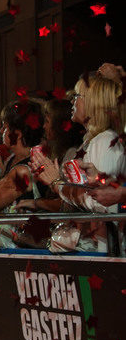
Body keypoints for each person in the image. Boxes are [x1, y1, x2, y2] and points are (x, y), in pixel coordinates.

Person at [32, 72, 126, 252]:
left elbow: (101, 202)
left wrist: (57, 184)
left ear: (93, 102)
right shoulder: (94, 140)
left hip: (104, 251)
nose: (72, 101)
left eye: (77, 96)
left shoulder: (105, 141)